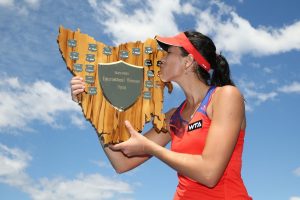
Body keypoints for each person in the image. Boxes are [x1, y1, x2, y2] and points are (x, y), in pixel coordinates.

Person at [70, 31, 252, 199]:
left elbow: (209, 173)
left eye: (168, 54)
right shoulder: (173, 116)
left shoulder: (225, 96)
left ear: (188, 61)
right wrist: (92, 107)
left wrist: (150, 148)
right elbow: (122, 163)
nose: (161, 59)